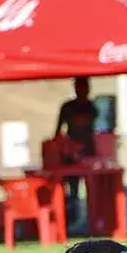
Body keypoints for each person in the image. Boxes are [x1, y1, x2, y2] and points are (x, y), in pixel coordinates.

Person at [54, 78, 100, 228]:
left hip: (89, 152)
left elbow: (99, 129)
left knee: (93, 188)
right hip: (70, 153)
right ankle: (72, 219)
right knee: (71, 188)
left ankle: (93, 220)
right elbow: (58, 133)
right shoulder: (68, 107)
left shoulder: (92, 107)